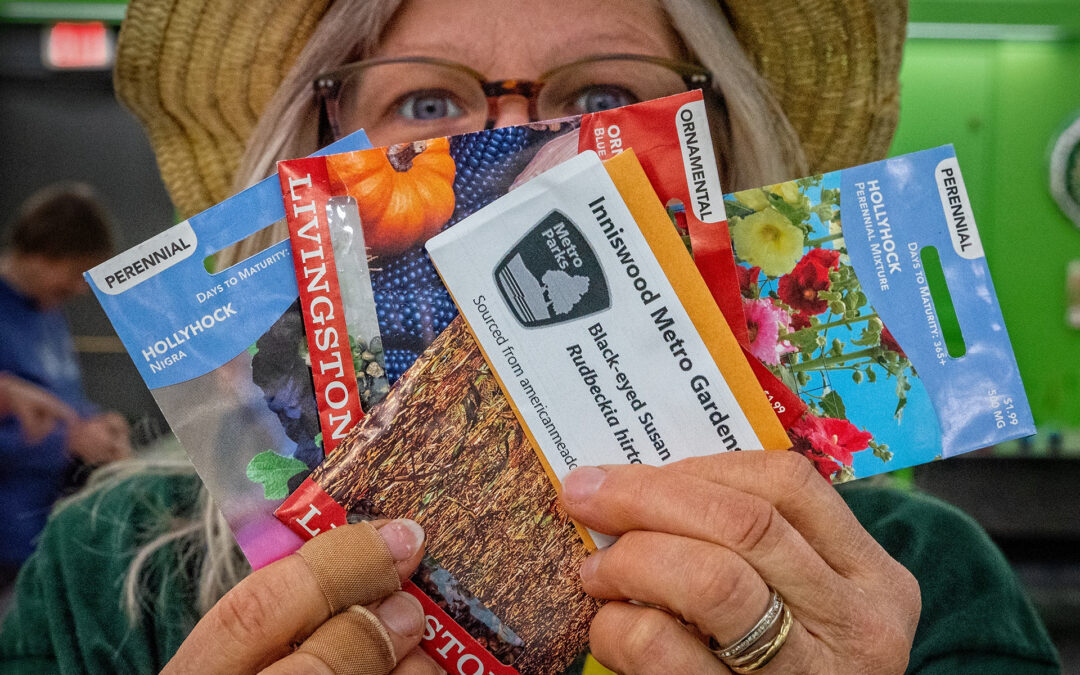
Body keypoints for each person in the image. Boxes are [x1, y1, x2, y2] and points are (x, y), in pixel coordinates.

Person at [0, 0, 1061, 673]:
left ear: (719, 160)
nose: (512, 153)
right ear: (313, 176)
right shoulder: (110, 583)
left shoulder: (919, 590)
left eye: (602, 96)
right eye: (428, 100)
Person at [0, 183, 133, 592]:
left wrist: (99, 422)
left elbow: (61, 399)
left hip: (42, 532)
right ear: (40, 253)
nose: (80, 289)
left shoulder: (47, 310)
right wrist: (68, 441)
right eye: (77, 270)